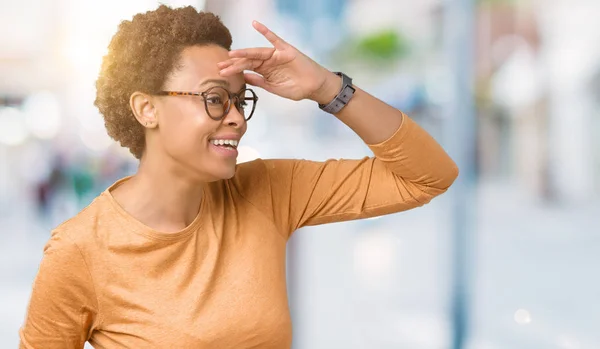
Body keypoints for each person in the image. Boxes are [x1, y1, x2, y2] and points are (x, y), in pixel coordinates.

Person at [19, 5, 458, 349]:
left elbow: (427, 176)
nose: (236, 119)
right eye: (214, 99)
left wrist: (327, 87)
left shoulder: (269, 190)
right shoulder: (79, 250)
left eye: (239, 100)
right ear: (146, 108)